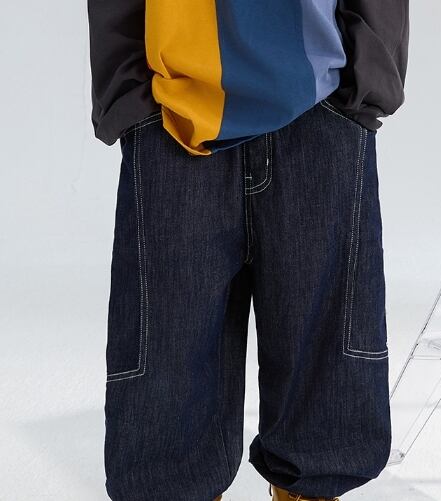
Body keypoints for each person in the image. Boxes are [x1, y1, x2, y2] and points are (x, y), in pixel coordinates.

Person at [87, 1, 409, 500]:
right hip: (172, 104)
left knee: (326, 363)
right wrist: (128, 97)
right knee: (166, 354)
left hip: (321, 99)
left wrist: (368, 82)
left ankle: (308, 489)